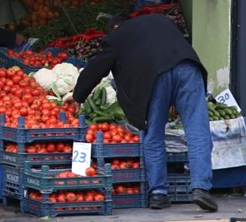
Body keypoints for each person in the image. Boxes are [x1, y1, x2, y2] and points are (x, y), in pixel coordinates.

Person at [69, 13, 218, 212]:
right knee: (197, 130)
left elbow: (97, 68)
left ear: (114, 28)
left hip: (155, 76)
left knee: (154, 133)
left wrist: (78, 95)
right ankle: (201, 188)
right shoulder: (161, 20)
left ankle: (158, 193)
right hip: (188, 68)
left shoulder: (117, 37)